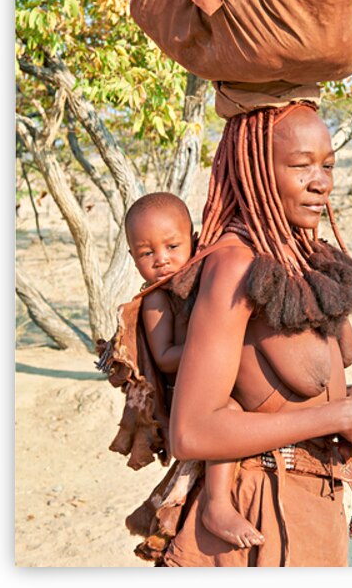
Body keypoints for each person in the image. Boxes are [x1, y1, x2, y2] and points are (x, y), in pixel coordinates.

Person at [149, 101, 352, 567]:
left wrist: (346, 404)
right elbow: (192, 432)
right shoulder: (235, 266)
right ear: (254, 170)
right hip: (259, 520)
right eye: (301, 166)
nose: (322, 182)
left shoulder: (300, 261)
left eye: (328, 165)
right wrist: (337, 416)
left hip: (311, 515)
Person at [124, 192, 265, 549]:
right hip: (188, 395)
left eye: (172, 246)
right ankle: (217, 505)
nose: (161, 260)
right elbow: (164, 355)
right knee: (226, 414)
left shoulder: (205, 276)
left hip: (213, 376)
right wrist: (214, 345)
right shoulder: (157, 297)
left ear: (195, 239)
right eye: (146, 253)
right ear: (132, 257)